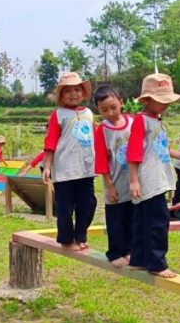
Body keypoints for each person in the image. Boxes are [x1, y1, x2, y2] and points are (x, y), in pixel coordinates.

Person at [127, 73, 180, 278]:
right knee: (158, 221)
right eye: (161, 100)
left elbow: (161, 147)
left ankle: (138, 259)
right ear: (147, 100)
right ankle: (157, 263)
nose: (166, 105)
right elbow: (133, 151)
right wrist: (134, 180)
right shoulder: (141, 121)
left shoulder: (156, 120)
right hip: (149, 179)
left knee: (142, 220)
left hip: (157, 177)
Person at [42, 72, 97, 251]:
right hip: (65, 168)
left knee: (88, 203)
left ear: (83, 92)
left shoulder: (89, 113)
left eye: (77, 89)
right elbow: (50, 141)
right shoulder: (58, 114)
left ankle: (80, 235)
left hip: (86, 167)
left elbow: (95, 138)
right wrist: (47, 167)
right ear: (61, 95)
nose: (73, 94)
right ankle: (66, 239)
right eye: (68, 91)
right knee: (65, 207)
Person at [94, 85, 134, 267]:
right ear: (98, 110)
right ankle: (115, 252)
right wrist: (109, 186)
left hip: (133, 182)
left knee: (131, 218)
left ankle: (129, 250)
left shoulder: (133, 123)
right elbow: (101, 160)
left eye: (113, 107)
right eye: (104, 110)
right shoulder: (101, 129)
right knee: (116, 220)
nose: (110, 112)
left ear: (121, 103)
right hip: (115, 183)